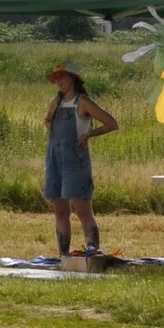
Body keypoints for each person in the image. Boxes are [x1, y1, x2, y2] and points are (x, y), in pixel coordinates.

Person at [42, 62, 119, 258]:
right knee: (60, 212)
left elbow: (111, 123)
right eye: (56, 77)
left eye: (62, 77)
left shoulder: (83, 102)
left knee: (83, 211)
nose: (58, 81)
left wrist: (89, 134)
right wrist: (49, 119)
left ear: (73, 79)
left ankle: (92, 255)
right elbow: (48, 122)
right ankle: (63, 256)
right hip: (54, 159)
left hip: (75, 161)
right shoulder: (55, 102)